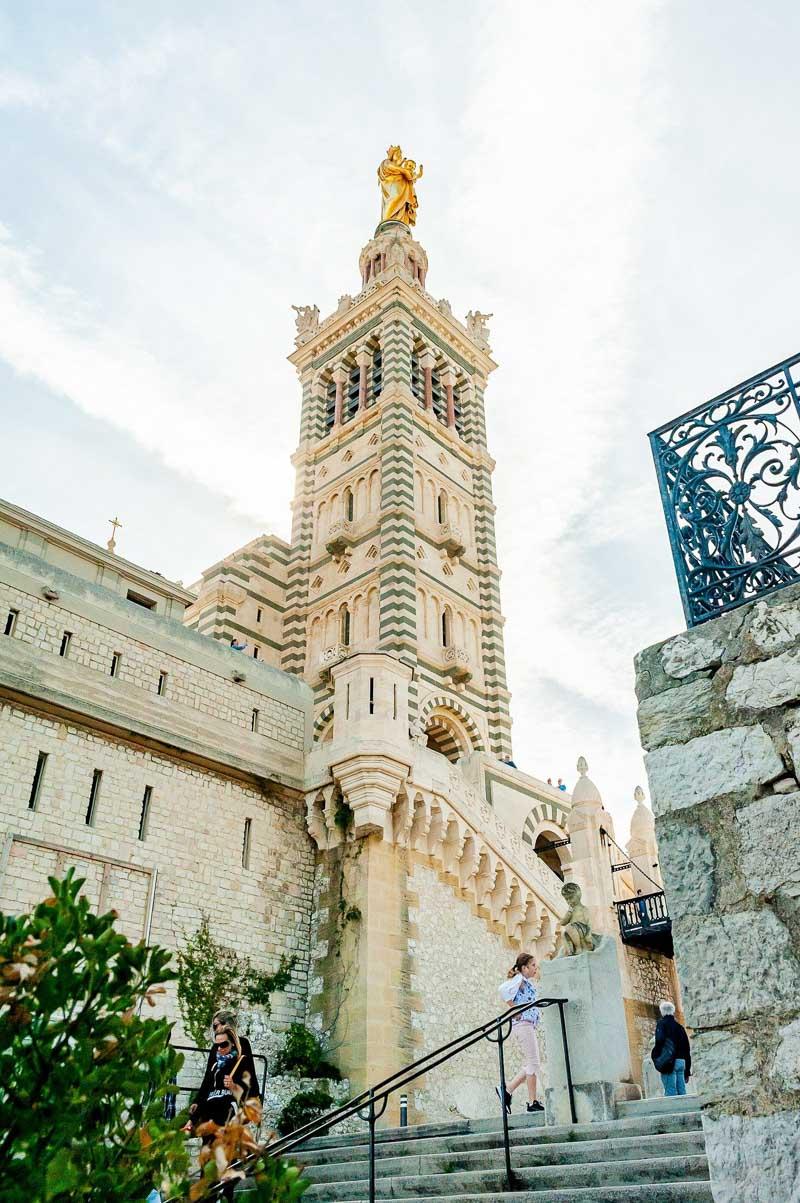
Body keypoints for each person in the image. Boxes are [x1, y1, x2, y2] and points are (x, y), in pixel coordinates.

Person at [183, 1026, 257, 1200]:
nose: (220, 1049)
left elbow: (249, 1092)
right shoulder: (215, 1065)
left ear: (232, 1043)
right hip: (210, 1120)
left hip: (228, 1120)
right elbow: (206, 1092)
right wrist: (192, 1119)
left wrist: (233, 1085)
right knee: (206, 1169)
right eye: (217, 1045)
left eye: (223, 1045)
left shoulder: (241, 1063)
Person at [496, 953, 544, 1114]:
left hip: (527, 1024)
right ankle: (531, 1102)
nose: (535, 969)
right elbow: (502, 990)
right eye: (532, 966)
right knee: (533, 1063)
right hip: (523, 1024)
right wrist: (513, 1008)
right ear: (524, 968)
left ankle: (507, 1090)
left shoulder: (525, 982)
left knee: (532, 1063)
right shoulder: (519, 980)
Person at [652, 1000, 691, 1096]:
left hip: (669, 1062)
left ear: (662, 1011)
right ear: (673, 1011)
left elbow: (659, 1041)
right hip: (681, 1062)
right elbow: (687, 1048)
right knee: (682, 1091)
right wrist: (688, 1070)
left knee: (671, 1091)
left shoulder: (662, 1024)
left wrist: (655, 1055)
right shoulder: (680, 1027)